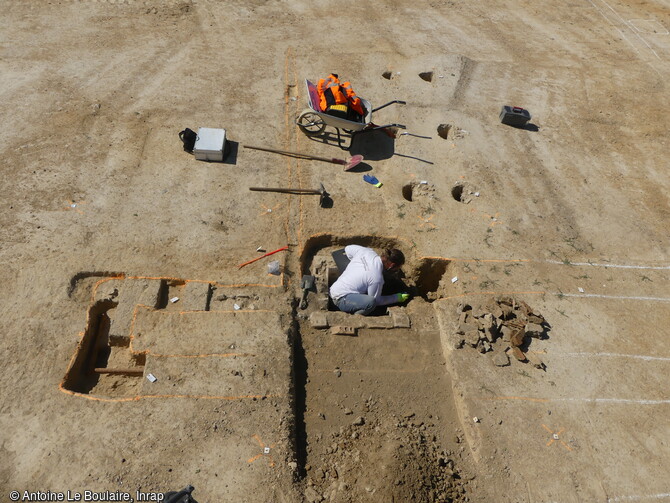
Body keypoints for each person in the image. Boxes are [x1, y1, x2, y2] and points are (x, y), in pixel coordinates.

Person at [329, 245, 409, 316]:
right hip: (340, 299)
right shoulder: (376, 278)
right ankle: (354, 319)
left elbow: (348, 249)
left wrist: (357, 267)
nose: (397, 271)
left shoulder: (367, 251)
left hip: (334, 288)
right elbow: (377, 301)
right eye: (397, 268)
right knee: (371, 303)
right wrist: (396, 298)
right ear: (392, 265)